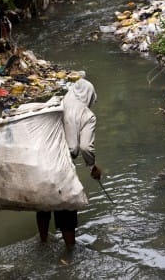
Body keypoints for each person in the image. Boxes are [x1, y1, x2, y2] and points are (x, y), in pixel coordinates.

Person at [36, 78, 101, 248]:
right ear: (89, 96)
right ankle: (70, 254)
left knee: (43, 206)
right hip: (62, 166)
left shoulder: (55, 103)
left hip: (41, 162)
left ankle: (43, 242)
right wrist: (93, 166)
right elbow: (86, 147)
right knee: (66, 212)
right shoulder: (87, 116)